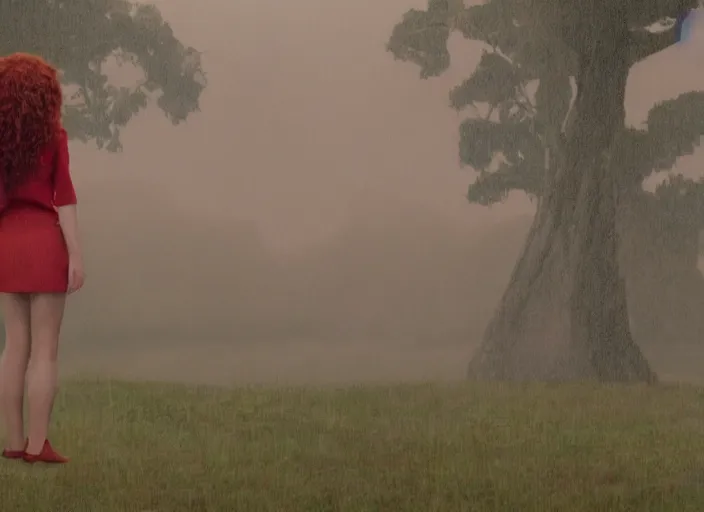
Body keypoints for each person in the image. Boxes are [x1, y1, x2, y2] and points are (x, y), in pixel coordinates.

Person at [0, 53, 85, 464]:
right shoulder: (55, 138)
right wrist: (76, 255)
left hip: (6, 246)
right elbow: (64, 198)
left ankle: (14, 443)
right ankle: (38, 446)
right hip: (44, 245)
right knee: (44, 352)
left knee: (13, 347)